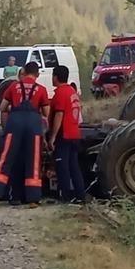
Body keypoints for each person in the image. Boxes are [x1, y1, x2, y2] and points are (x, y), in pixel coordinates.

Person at [0, 62, 50, 208]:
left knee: (5, 157)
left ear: (24, 72)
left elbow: (2, 108)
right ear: (37, 75)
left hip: (15, 123)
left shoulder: (13, 86)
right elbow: (46, 113)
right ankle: (33, 198)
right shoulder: (41, 89)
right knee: (34, 159)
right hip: (33, 124)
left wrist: (14, 107)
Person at [49, 65, 85, 203]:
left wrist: (52, 137)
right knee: (74, 167)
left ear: (56, 77)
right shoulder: (72, 91)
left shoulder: (60, 93)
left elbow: (59, 115)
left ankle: (65, 197)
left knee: (62, 167)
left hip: (64, 135)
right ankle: (80, 196)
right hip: (75, 134)